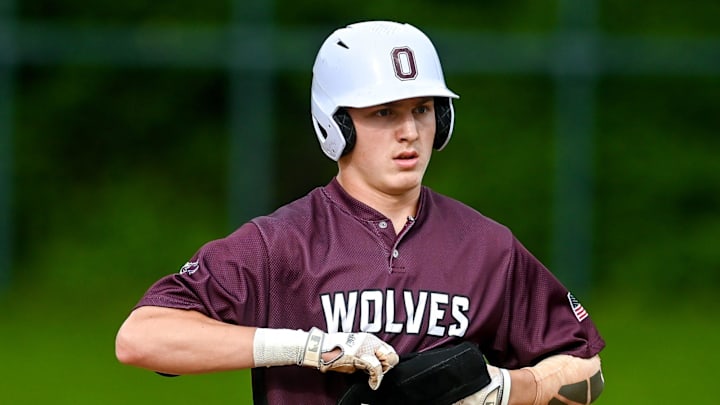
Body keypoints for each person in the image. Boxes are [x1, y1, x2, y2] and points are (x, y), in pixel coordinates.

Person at [115, 20, 606, 405]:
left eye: (423, 109)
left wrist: (503, 390)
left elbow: (586, 371)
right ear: (337, 124)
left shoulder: (486, 246)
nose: (410, 132)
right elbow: (142, 337)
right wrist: (308, 349)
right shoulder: (282, 243)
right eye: (384, 113)